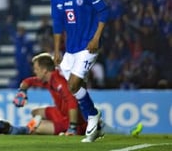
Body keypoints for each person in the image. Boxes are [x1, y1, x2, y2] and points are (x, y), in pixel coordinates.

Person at [50, 0, 110, 142]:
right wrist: (57, 50)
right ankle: (97, 125)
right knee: (76, 87)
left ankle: (92, 117)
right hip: (70, 49)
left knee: (74, 84)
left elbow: (104, 11)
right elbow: (58, 23)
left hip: (88, 46)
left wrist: (96, 38)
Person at [13, 53, 143, 137]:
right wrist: (22, 91)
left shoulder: (58, 81)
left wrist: (72, 127)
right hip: (61, 113)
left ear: (44, 70)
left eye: (36, 69)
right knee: (36, 112)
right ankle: (107, 129)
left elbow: (72, 102)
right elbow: (28, 81)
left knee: (39, 128)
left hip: (70, 119)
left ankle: (77, 129)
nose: (34, 72)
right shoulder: (47, 80)